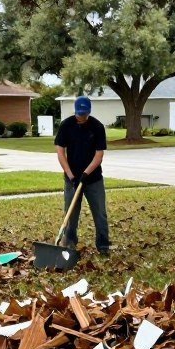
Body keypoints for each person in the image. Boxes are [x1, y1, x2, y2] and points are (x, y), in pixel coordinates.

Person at [54, 95, 110, 255]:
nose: (82, 117)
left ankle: (103, 245)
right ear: (75, 111)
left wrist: (86, 174)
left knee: (100, 213)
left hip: (93, 179)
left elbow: (99, 155)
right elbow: (60, 152)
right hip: (71, 178)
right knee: (71, 214)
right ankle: (69, 245)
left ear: (89, 111)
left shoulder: (97, 127)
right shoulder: (66, 125)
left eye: (85, 114)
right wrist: (71, 176)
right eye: (80, 113)